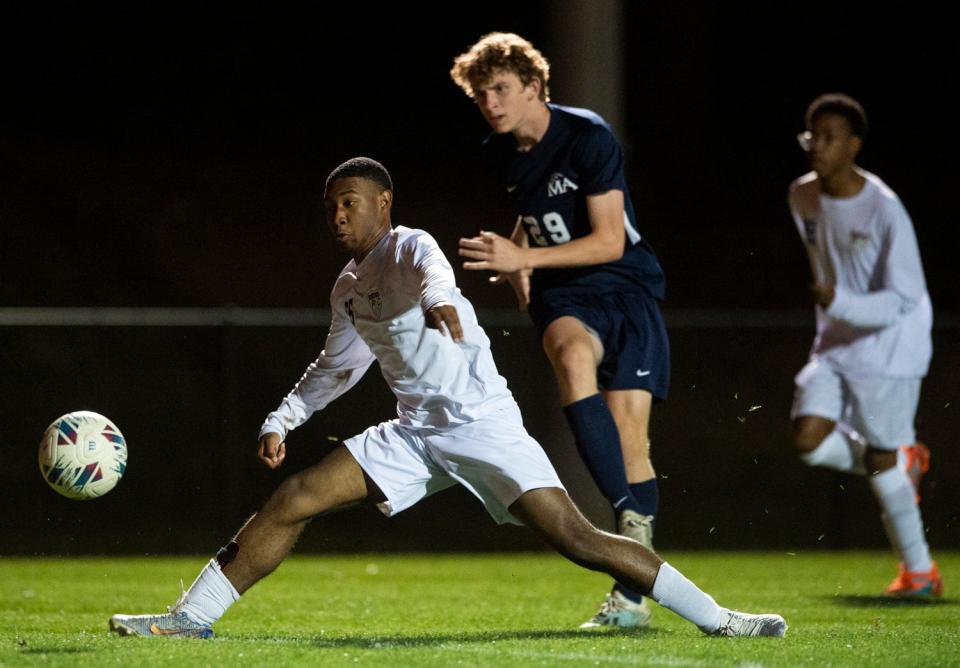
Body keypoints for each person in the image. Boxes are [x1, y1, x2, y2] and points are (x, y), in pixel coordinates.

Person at [108, 157, 786, 639]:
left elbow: (433, 275)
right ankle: (187, 619)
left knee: (579, 540)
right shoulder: (347, 286)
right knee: (294, 497)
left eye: (351, 200)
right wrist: (284, 416)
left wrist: (443, 308)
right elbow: (336, 367)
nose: (339, 214)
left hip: (481, 425)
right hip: (413, 432)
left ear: (384, 205)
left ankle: (722, 619)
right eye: (331, 205)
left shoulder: (410, 246)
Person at [451, 32, 669, 628]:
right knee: (569, 351)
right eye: (480, 93)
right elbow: (532, 210)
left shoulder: (587, 136)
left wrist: (523, 259)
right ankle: (627, 513)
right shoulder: (501, 151)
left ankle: (630, 598)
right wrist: (522, 257)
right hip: (566, 294)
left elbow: (609, 240)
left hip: (626, 288)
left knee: (632, 442)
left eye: (500, 89)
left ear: (534, 88)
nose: (490, 102)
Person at [788, 94, 941, 598]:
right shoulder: (801, 195)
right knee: (808, 440)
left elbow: (903, 298)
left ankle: (919, 573)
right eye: (814, 136)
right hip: (835, 342)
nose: (819, 146)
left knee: (879, 457)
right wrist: (835, 310)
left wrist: (842, 301)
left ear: (854, 145)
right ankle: (901, 461)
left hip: (891, 347)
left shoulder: (884, 209)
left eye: (831, 137)